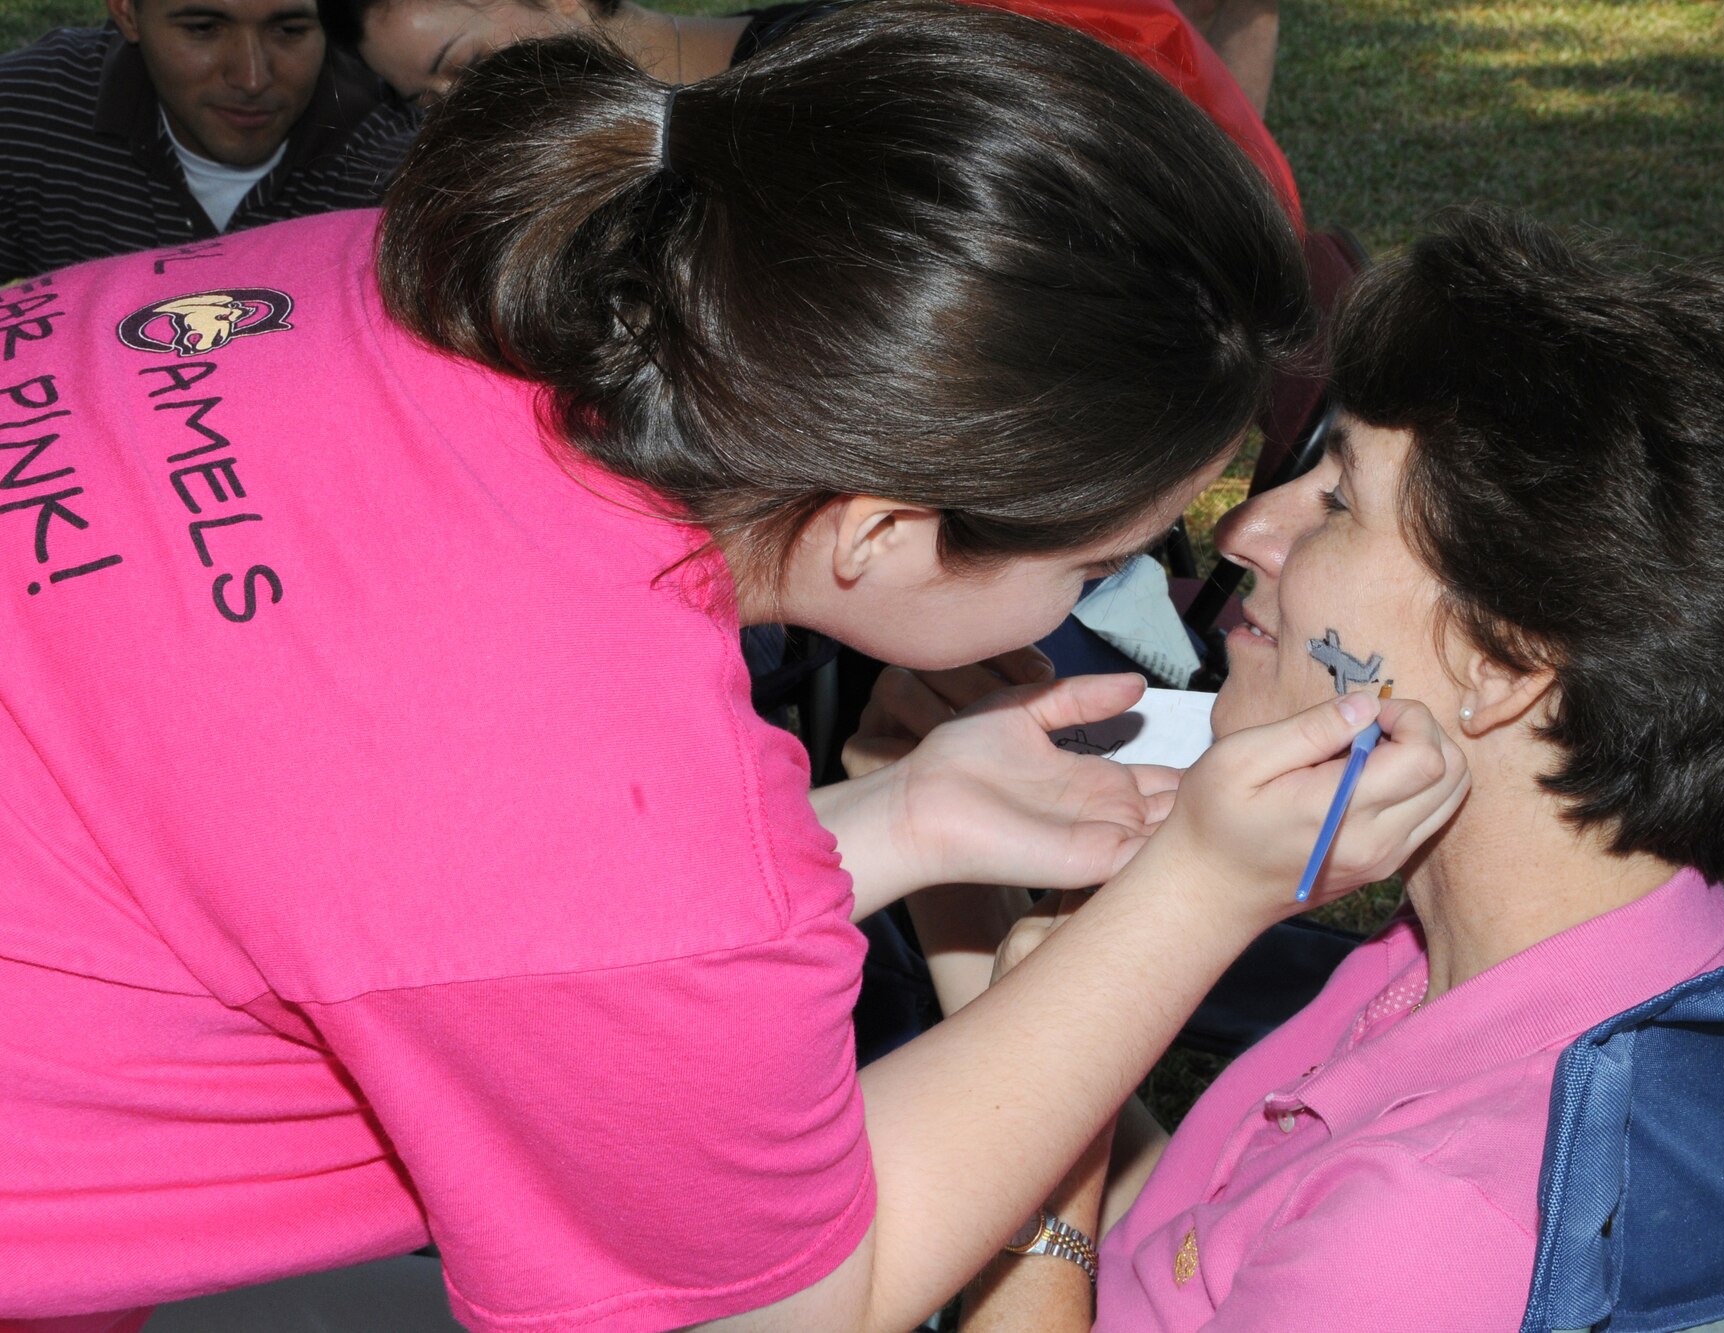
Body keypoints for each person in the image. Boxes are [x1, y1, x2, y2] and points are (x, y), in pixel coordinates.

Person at [0, 7, 1467, 1332]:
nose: (1107, 597)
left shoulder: (409, 276)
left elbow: (428, 876)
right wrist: (1194, 895)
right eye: (1096, 564)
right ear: (883, 531)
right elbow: (813, 1294)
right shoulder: (610, 811)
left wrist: (901, 827)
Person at [936, 208, 1724, 1330]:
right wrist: (988, 921)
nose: (1246, 529)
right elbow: (1197, 1247)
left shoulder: (1433, 1227)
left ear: (1500, 664)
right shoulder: (1569, 959)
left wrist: (1040, 1170)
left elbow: (1191, 1248)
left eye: (1336, 502)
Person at [321, 0, 1301, 219]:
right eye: (426, 96)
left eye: (458, 63)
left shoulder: (849, 82)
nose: (460, 107)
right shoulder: (719, 98)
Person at [0, 0, 418, 281]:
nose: (252, 78)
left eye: (289, 30)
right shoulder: (27, 114)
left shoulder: (401, 163)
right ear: (127, 13)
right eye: (204, 28)